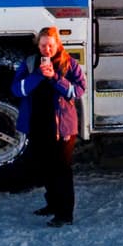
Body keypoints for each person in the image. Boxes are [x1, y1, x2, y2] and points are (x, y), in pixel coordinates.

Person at [12, 25, 85, 225]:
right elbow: (17, 90)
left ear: (57, 44)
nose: (47, 50)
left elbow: (78, 91)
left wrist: (54, 77)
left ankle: (65, 214)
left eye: (51, 45)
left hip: (63, 128)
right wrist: (37, 76)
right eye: (43, 45)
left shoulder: (68, 63)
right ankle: (52, 204)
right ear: (38, 45)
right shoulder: (29, 63)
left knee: (62, 170)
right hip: (38, 124)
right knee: (45, 168)